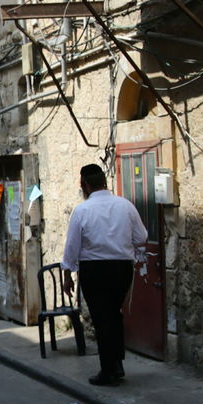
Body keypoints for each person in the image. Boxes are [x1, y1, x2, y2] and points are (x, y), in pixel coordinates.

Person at [60, 163, 147, 386]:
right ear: (104, 182)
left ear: (85, 184)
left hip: (95, 270)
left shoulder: (82, 210)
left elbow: (72, 246)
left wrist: (67, 273)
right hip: (121, 269)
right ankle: (116, 363)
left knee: (102, 318)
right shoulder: (125, 206)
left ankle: (107, 369)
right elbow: (141, 236)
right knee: (114, 315)